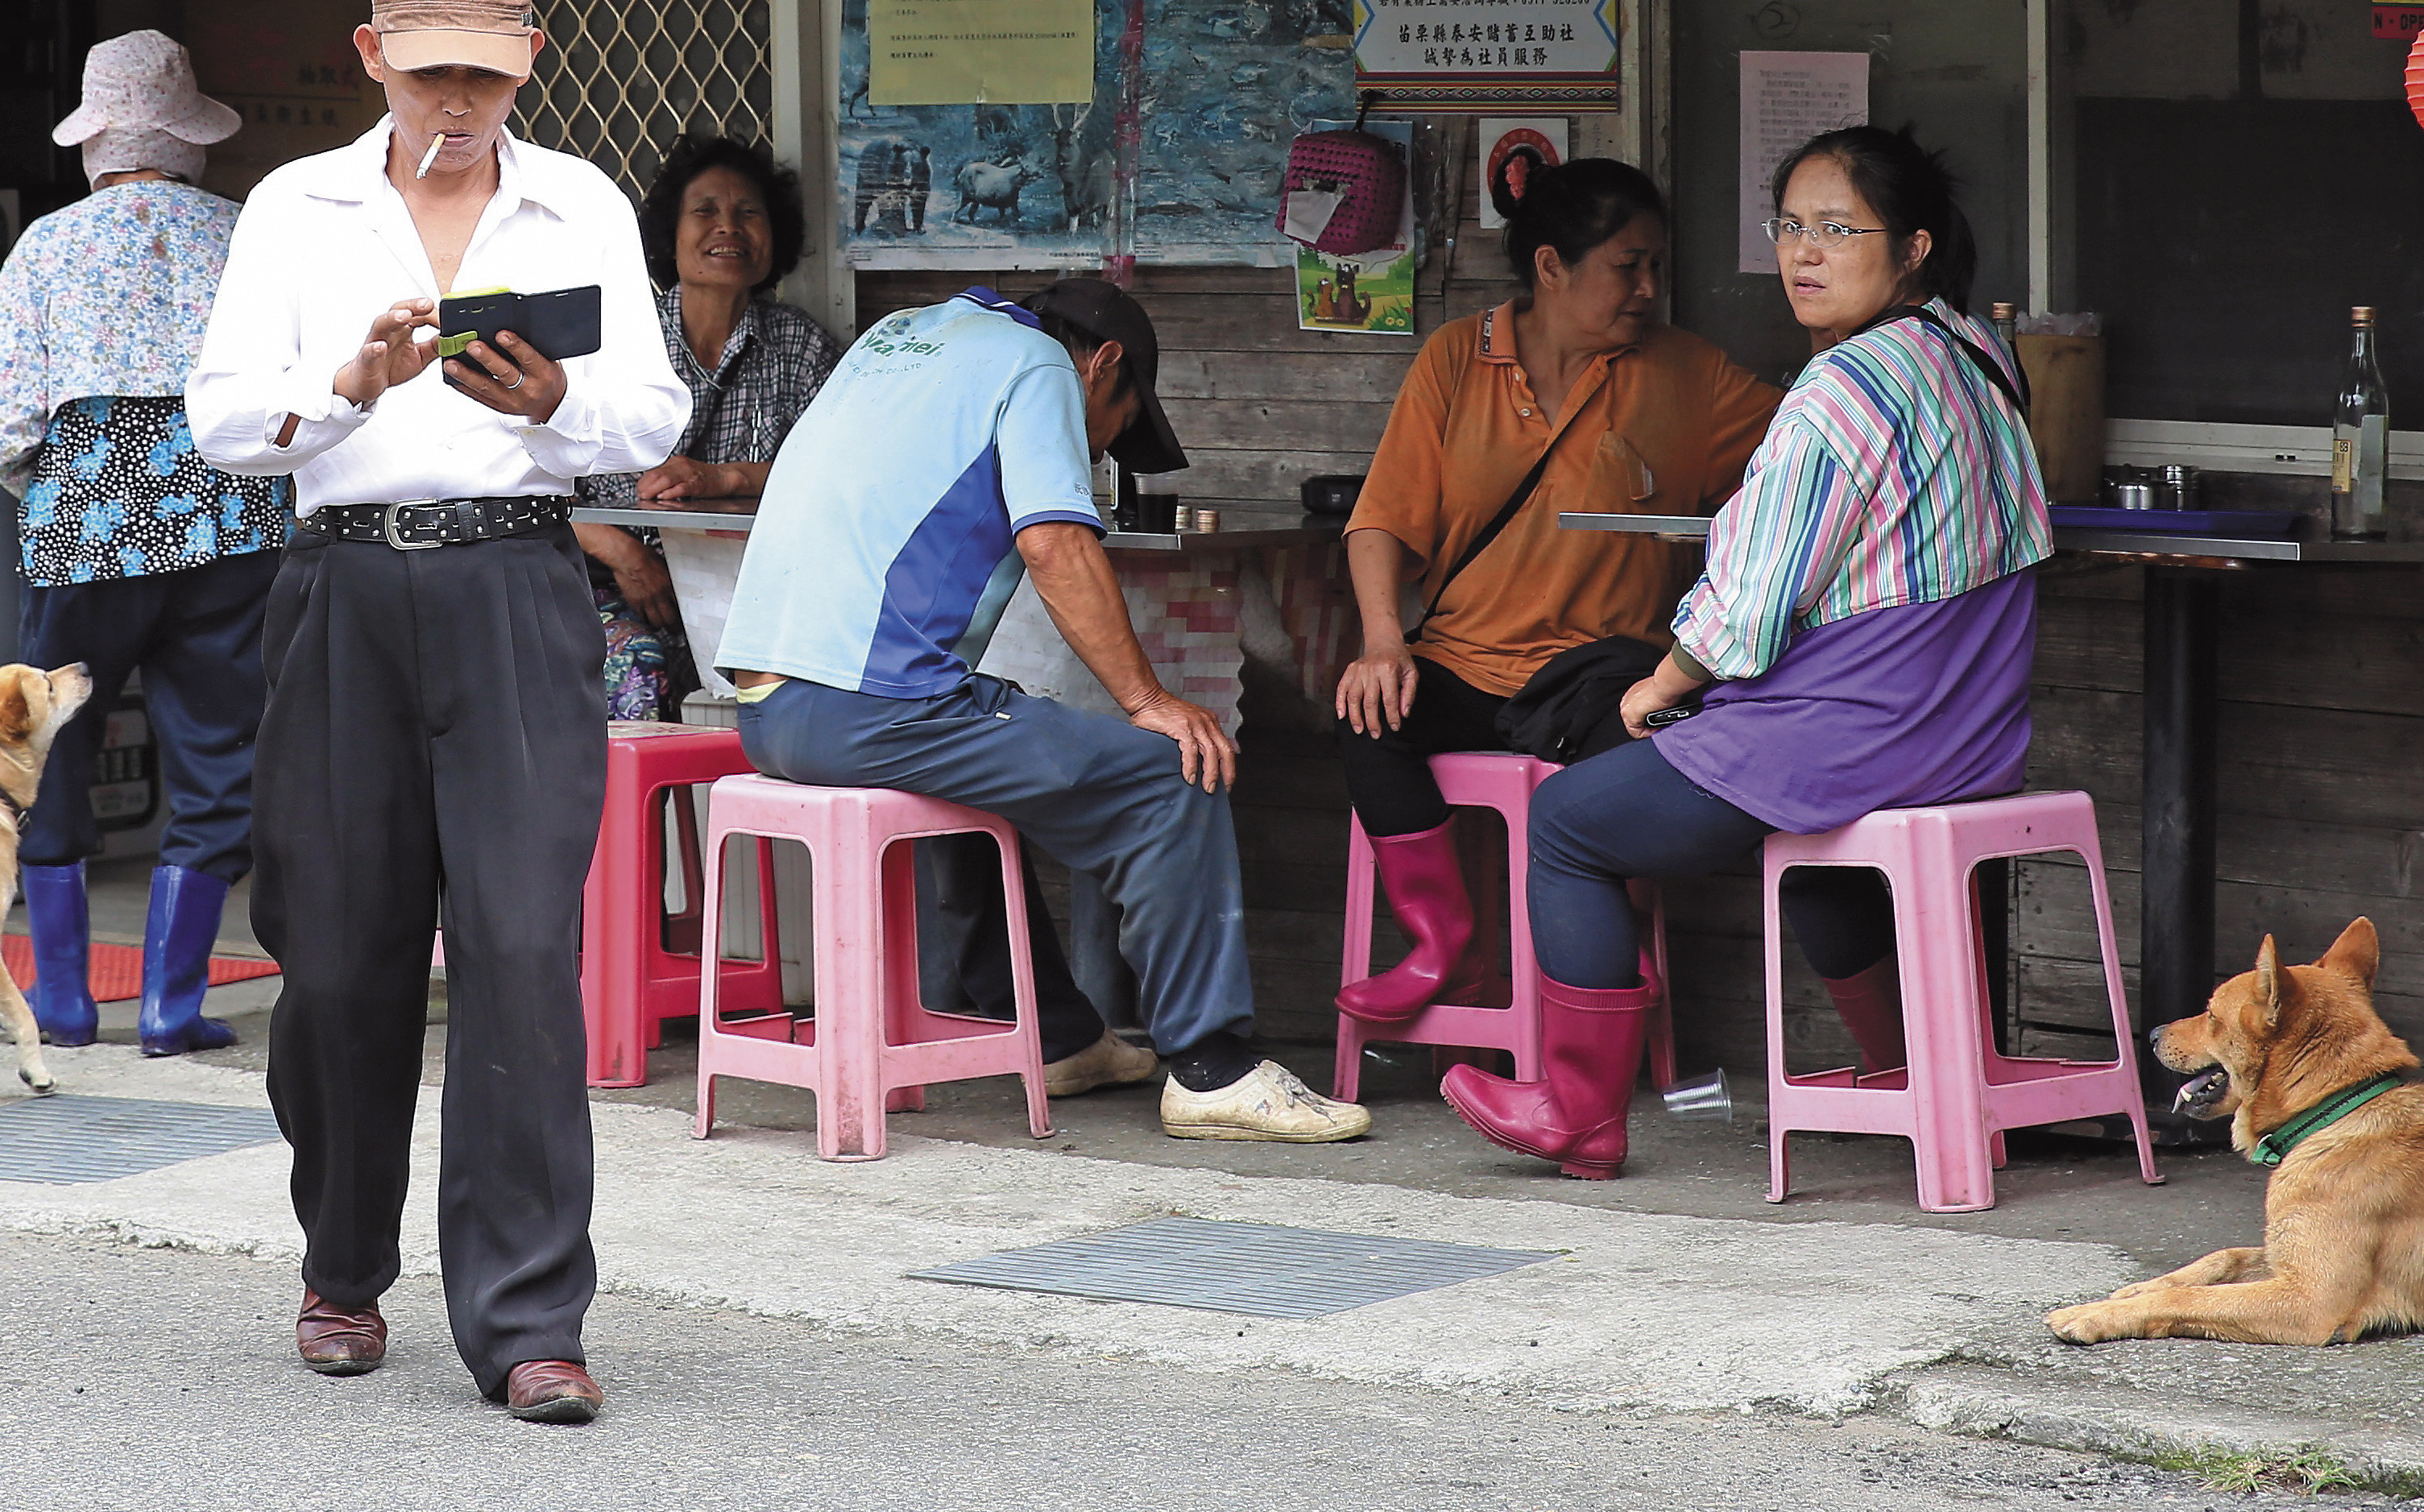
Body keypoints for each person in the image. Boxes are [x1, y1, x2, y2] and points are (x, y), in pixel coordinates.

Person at [184, 0, 687, 1427]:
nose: (459, 103)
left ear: (528, 65)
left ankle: (530, 1320)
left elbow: (648, 407)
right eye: (433, 73)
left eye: (488, 73)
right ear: (371, 59)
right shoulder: (297, 206)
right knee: (337, 952)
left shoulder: (577, 198)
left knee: (524, 950)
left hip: (520, 585)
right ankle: (343, 1263)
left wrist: (560, 405)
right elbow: (218, 418)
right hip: (342, 586)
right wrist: (347, 390)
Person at [1445, 125, 2051, 1182]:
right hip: (1969, 729)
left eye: (1838, 230)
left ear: (1912, 247)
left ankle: (1581, 1115)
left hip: (1856, 732)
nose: (1804, 254)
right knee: (1815, 863)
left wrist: (1657, 688)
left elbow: (1747, 615)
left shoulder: (1838, 393)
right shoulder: (1976, 354)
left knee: (1568, 821)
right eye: (1791, 228)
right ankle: (1916, 1075)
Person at [715, 275, 1374, 1144]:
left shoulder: (901, 334)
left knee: (985, 748)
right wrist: (1149, 700)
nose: (1098, 455)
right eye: (1114, 432)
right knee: (1174, 774)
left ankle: (1058, 1039)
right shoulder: (1040, 368)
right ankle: (1214, 1071)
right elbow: (1056, 542)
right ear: (1101, 367)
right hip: (863, 705)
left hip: (769, 707)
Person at [1329, 160, 1776, 1026]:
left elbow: (1815, 453)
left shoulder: (1692, 376)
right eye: (1626, 266)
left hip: (1602, 679)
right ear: (1549, 267)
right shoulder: (1456, 359)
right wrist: (1383, 638)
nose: (1649, 288)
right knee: (1367, 713)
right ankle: (1441, 943)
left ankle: (1585, 1038)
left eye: (1656, 266)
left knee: (1616, 802)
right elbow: (1383, 518)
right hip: (1463, 661)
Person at [0, 31, 292, 1058]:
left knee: (44, 750)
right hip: (227, 523)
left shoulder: (47, 248)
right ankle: (169, 1009)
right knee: (218, 754)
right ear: (189, 139)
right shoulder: (246, 237)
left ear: (97, 142)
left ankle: (61, 1002)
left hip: (81, 530)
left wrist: (57, 486)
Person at [574, 135, 843, 717]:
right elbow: (531, 481)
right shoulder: (615, 344)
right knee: (634, 669)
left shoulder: (802, 348)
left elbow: (836, 474)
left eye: (749, 212)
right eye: (705, 212)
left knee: (811, 691)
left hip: (753, 598)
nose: (729, 228)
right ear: (670, 235)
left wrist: (722, 479)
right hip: (608, 587)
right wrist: (625, 555)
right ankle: (632, 811)